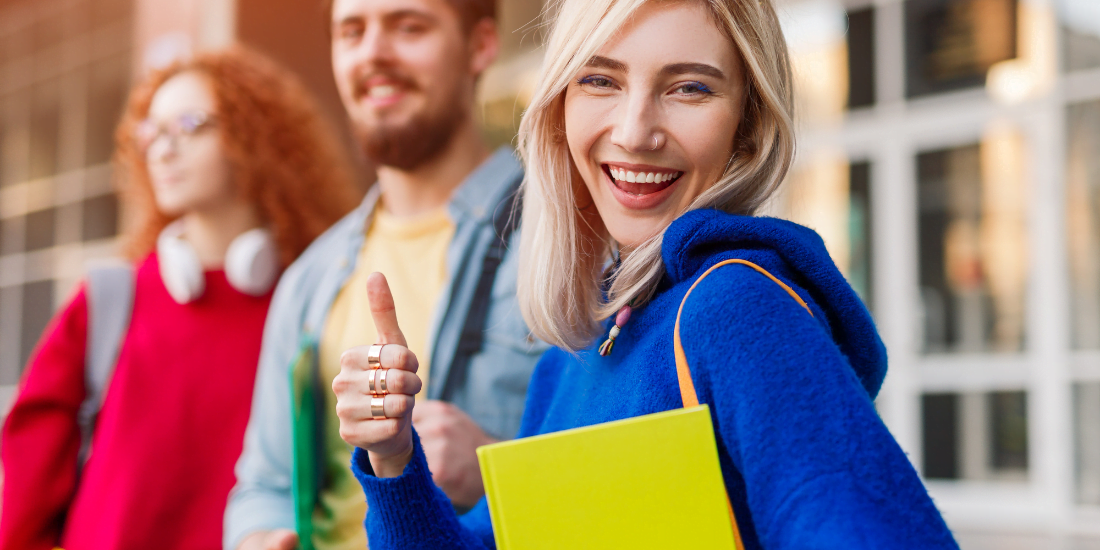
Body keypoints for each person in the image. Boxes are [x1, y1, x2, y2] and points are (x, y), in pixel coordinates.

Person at [332, 0, 962, 548]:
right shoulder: (573, 356)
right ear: (560, 107)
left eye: (689, 88)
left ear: (747, 125)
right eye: (600, 81)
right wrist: (394, 460)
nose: (635, 132)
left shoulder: (737, 310)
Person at [0, 47, 357, 550]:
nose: (162, 149)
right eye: (151, 132)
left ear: (256, 137)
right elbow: (28, 467)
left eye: (189, 124)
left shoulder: (311, 302)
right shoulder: (108, 299)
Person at [224, 0, 547, 548]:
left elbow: (630, 476)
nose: (372, 52)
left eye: (408, 26)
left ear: (481, 45)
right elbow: (264, 483)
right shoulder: (310, 278)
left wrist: (496, 468)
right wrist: (258, 536)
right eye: (351, 31)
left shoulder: (563, 240)